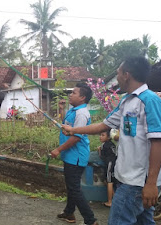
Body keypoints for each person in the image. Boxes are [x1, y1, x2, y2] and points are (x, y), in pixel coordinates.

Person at [62, 57, 161, 225]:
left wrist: (151, 183)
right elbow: (103, 125)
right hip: (128, 179)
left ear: (127, 75)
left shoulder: (150, 101)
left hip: (137, 182)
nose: (117, 78)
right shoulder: (126, 101)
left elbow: (158, 142)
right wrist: (74, 130)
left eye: (118, 73)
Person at [50, 83, 98, 225]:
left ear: (82, 97)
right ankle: (69, 213)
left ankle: (90, 219)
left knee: (74, 189)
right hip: (70, 155)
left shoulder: (82, 114)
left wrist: (58, 149)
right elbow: (67, 124)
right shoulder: (74, 110)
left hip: (76, 156)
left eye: (74, 93)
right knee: (72, 186)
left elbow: (76, 137)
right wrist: (62, 109)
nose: (70, 94)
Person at [98, 131, 117, 208]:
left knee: (109, 182)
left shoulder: (104, 145)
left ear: (108, 137)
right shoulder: (112, 144)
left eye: (103, 135)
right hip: (116, 163)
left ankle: (110, 202)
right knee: (107, 181)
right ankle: (115, 199)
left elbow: (101, 157)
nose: (100, 137)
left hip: (110, 164)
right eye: (100, 135)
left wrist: (99, 150)